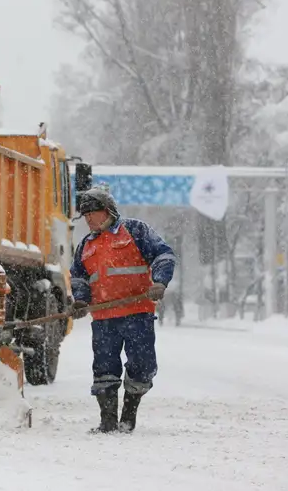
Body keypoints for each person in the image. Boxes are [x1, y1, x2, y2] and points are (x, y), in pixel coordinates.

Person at [69, 186, 176, 434]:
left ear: (107, 211)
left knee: (142, 365)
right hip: (104, 318)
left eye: (92, 213)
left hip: (137, 313)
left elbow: (164, 254)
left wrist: (160, 282)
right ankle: (107, 421)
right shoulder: (86, 245)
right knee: (104, 368)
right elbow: (79, 277)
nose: (88, 219)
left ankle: (128, 416)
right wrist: (81, 301)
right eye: (85, 216)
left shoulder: (135, 231)